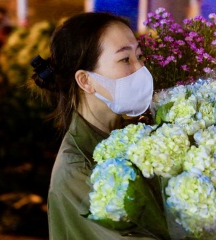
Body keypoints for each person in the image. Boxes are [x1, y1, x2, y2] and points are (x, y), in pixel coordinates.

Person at [30, 12, 154, 240]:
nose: (141, 69)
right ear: (85, 80)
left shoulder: (143, 128)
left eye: (140, 55)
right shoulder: (76, 171)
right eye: (125, 60)